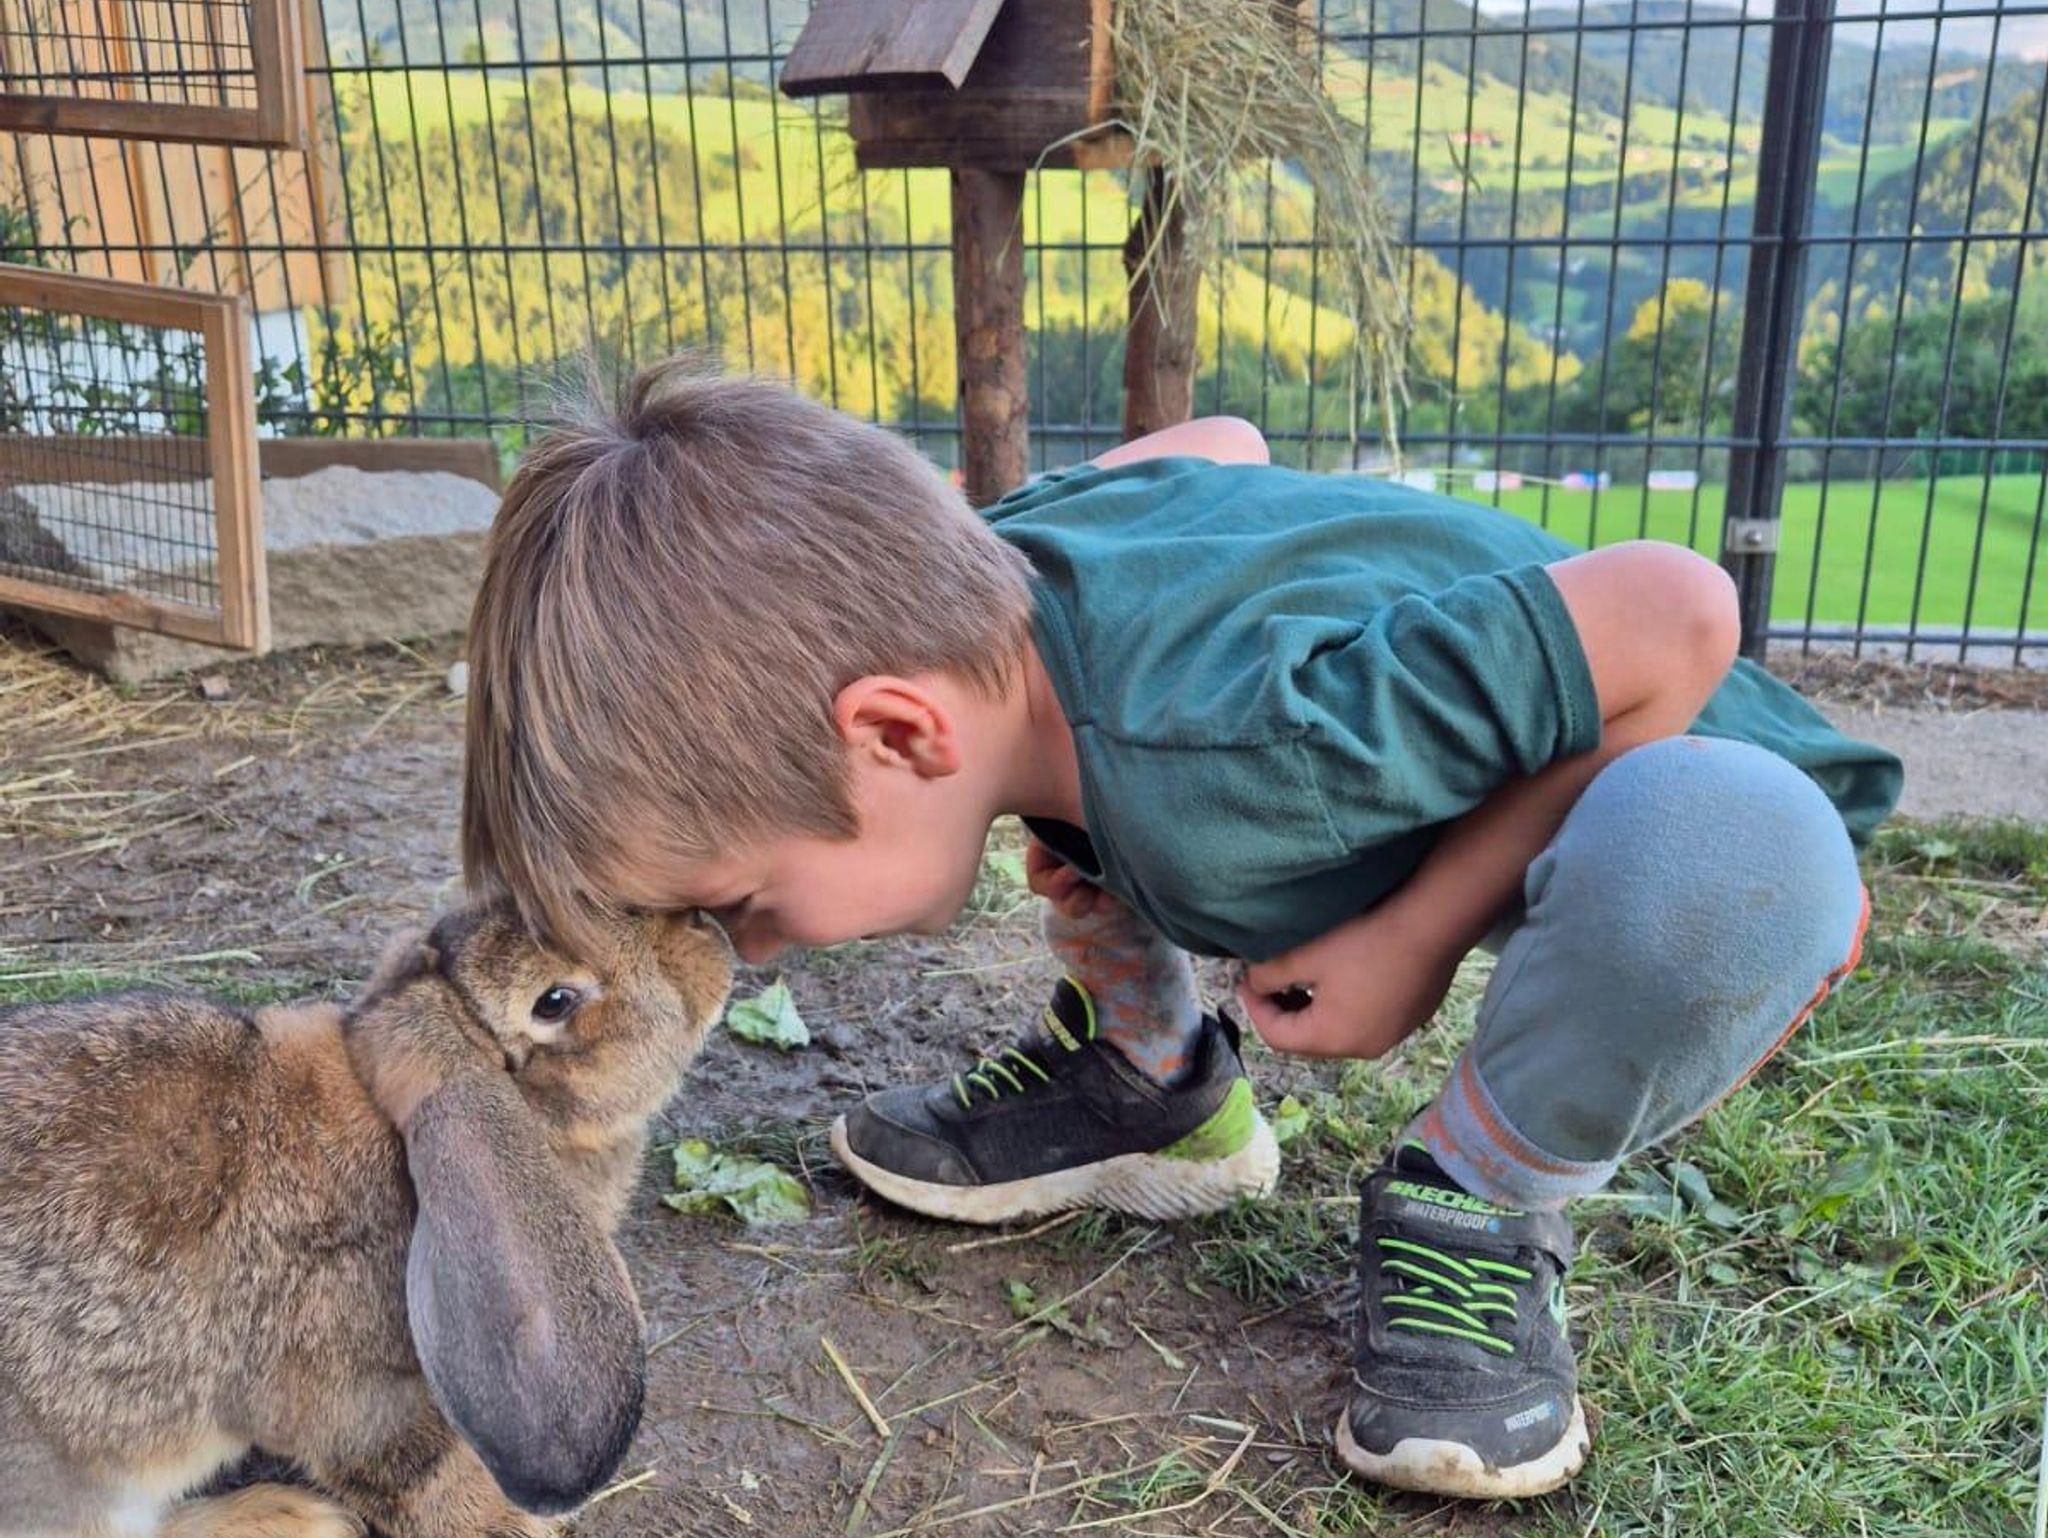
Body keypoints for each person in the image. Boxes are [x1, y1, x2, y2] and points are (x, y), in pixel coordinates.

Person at [460, 362, 1900, 1498]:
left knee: (1728, 850)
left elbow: (1676, 613)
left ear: (894, 732)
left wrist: (1413, 933)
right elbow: (1219, 446)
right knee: (1067, 765)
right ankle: (1152, 1079)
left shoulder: (1244, 750)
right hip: (1306, 755)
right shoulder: (992, 580)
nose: (755, 950)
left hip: (1673, 779)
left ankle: (1481, 1188)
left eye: (736, 901)